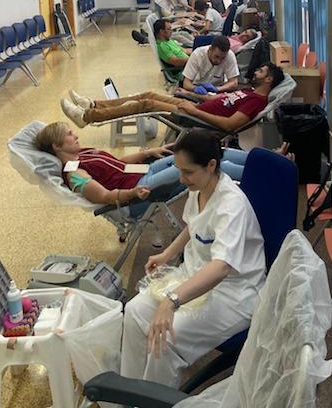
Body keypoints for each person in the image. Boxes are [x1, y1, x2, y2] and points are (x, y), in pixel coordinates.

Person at [120, 129, 266, 388]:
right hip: (196, 275)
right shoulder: (199, 188)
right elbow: (194, 225)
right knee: (133, 312)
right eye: (179, 170)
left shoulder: (231, 205)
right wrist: (167, 254)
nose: (181, 178)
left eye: (187, 172)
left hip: (233, 293)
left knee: (165, 337)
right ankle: (129, 391)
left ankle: (155, 399)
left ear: (211, 165)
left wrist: (172, 300)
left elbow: (221, 267)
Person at [34, 123, 249, 214]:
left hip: (144, 172)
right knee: (209, 164)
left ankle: (257, 160)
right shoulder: (74, 174)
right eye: (69, 135)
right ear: (57, 146)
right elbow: (105, 196)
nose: (76, 135)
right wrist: (132, 193)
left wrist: (148, 153)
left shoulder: (83, 153)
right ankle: (259, 173)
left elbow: (118, 163)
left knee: (213, 151)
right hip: (138, 191)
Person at [60, 62, 285, 131]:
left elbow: (229, 125)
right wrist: (189, 94)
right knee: (148, 94)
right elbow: (217, 101)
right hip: (193, 107)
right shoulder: (248, 91)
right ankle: (93, 104)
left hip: (195, 117)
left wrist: (194, 110)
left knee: (146, 104)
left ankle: (87, 117)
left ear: (268, 80)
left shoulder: (256, 101)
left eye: (261, 72)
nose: (256, 72)